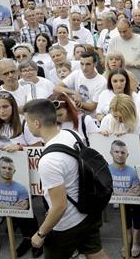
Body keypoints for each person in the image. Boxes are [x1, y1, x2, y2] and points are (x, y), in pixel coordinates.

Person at [23, 99, 109, 259]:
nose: (26, 126)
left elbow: (60, 206)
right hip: (88, 211)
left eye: (27, 122)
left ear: (36, 123)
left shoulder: (48, 161)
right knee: (96, 253)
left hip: (66, 224)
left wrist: (40, 234)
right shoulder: (71, 134)